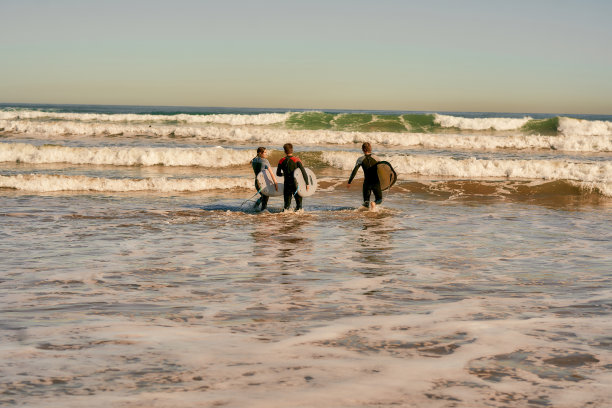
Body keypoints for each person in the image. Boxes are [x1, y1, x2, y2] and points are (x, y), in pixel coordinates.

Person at [347, 142, 382, 210]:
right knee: (379, 199)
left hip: (367, 183)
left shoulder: (360, 159)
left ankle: (364, 214)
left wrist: (349, 182)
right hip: (376, 182)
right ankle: (374, 203)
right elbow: (382, 170)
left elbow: (354, 171)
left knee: (366, 203)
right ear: (370, 149)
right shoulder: (376, 158)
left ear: (363, 149)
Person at [276, 143, 309, 211]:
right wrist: (307, 183)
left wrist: (284, 174)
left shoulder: (281, 160)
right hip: (295, 185)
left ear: (285, 151)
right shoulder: (297, 160)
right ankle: (297, 220)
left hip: (287, 184)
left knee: (286, 206)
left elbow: (278, 173)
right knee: (299, 205)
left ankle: (285, 219)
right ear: (292, 150)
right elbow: (303, 172)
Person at [251, 147, 277, 211]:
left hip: (257, 183)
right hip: (263, 183)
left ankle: (255, 206)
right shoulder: (265, 161)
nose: (266, 154)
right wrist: (275, 183)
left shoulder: (254, 160)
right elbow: (271, 173)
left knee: (263, 196)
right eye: (265, 152)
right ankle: (263, 213)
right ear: (260, 153)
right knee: (265, 198)